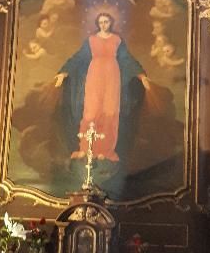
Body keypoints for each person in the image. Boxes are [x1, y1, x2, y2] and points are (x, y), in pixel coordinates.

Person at [54, 12, 149, 163]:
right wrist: (64, 72)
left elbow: (127, 59)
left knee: (110, 111)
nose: (104, 25)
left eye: (106, 22)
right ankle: (86, 148)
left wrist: (141, 75)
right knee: (91, 111)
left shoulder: (117, 40)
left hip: (112, 76)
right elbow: (78, 57)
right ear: (97, 24)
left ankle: (105, 150)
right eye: (101, 22)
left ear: (111, 23)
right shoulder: (91, 40)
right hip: (95, 76)